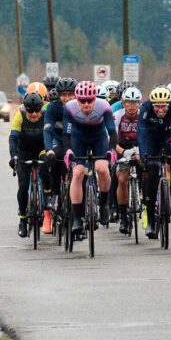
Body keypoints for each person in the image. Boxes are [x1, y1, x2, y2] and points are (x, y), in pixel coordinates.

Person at [64, 81, 116, 239]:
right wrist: (68, 150)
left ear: (95, 98)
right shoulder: (70, 107)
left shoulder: (104, 106)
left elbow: (112, 133)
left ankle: (105, 204)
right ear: (76, 99)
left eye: (90, 100)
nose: (86, 104)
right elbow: (66, 134)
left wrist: (111, 150)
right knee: (78, 173)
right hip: (78, 138)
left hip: (98, 137)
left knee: (102, 168)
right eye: (82, 101)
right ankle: (77, 217)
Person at [138, 86, 171, 239]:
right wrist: (144, 157)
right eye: (157, 106)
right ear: (152, 104)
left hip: (168, 137)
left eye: (163, 106)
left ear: (169, 103)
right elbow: (141, 134)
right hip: (151, 139)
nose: (160, 109)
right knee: (151, 172)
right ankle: (151, 220)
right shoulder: (145, 109)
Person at [8, 92, 48, 238]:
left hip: (41, 149)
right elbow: (13, 138)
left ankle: (46, 204)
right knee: (23, 185)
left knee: (46, 169)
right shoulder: (20, 115)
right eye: (30, 111)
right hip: (24, 151)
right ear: (25, 109)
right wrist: (14, 156)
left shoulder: (45, 116)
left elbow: (50, 136)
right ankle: (23, 219)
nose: (33, 114)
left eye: (37, 110)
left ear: (41, 109)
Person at [42, 77, 77, 234]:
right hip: (59, 141)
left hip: (77, 141)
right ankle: (56, 193)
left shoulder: (81, 106)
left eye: (70, 94)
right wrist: (48, 149)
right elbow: (48, 130)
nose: (67, 98)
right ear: (58, 95)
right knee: (55, 159)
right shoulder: (54, 107)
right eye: (64, 95)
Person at [112, 86, 142, 235]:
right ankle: (123, 217)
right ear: (123, 103)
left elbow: (148, 137)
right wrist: (123, 152)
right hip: (122, 148)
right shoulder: (117, 116)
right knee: (122, 178)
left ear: (139, 103)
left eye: (135, 102)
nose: (132, 106)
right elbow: (111, 141)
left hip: (140, 148)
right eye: (129, 102)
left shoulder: (143, 115)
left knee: (148, 172)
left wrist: (141, 152)